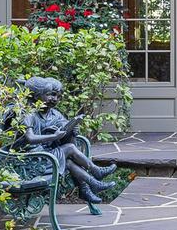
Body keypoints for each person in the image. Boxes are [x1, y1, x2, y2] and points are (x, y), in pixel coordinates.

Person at [20, 76, 119, 204]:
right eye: (50, 94)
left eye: (58, 96)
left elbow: (66, 136)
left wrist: (72, 131)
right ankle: (95, 173)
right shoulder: (28, 114)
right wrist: (54, 136)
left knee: (68, 159)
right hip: (33, 159)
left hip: (45, 155)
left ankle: (89, 185)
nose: (54, 99)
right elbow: (30, 138)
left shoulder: (55, 114)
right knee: (69, 150)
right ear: (37, 95)